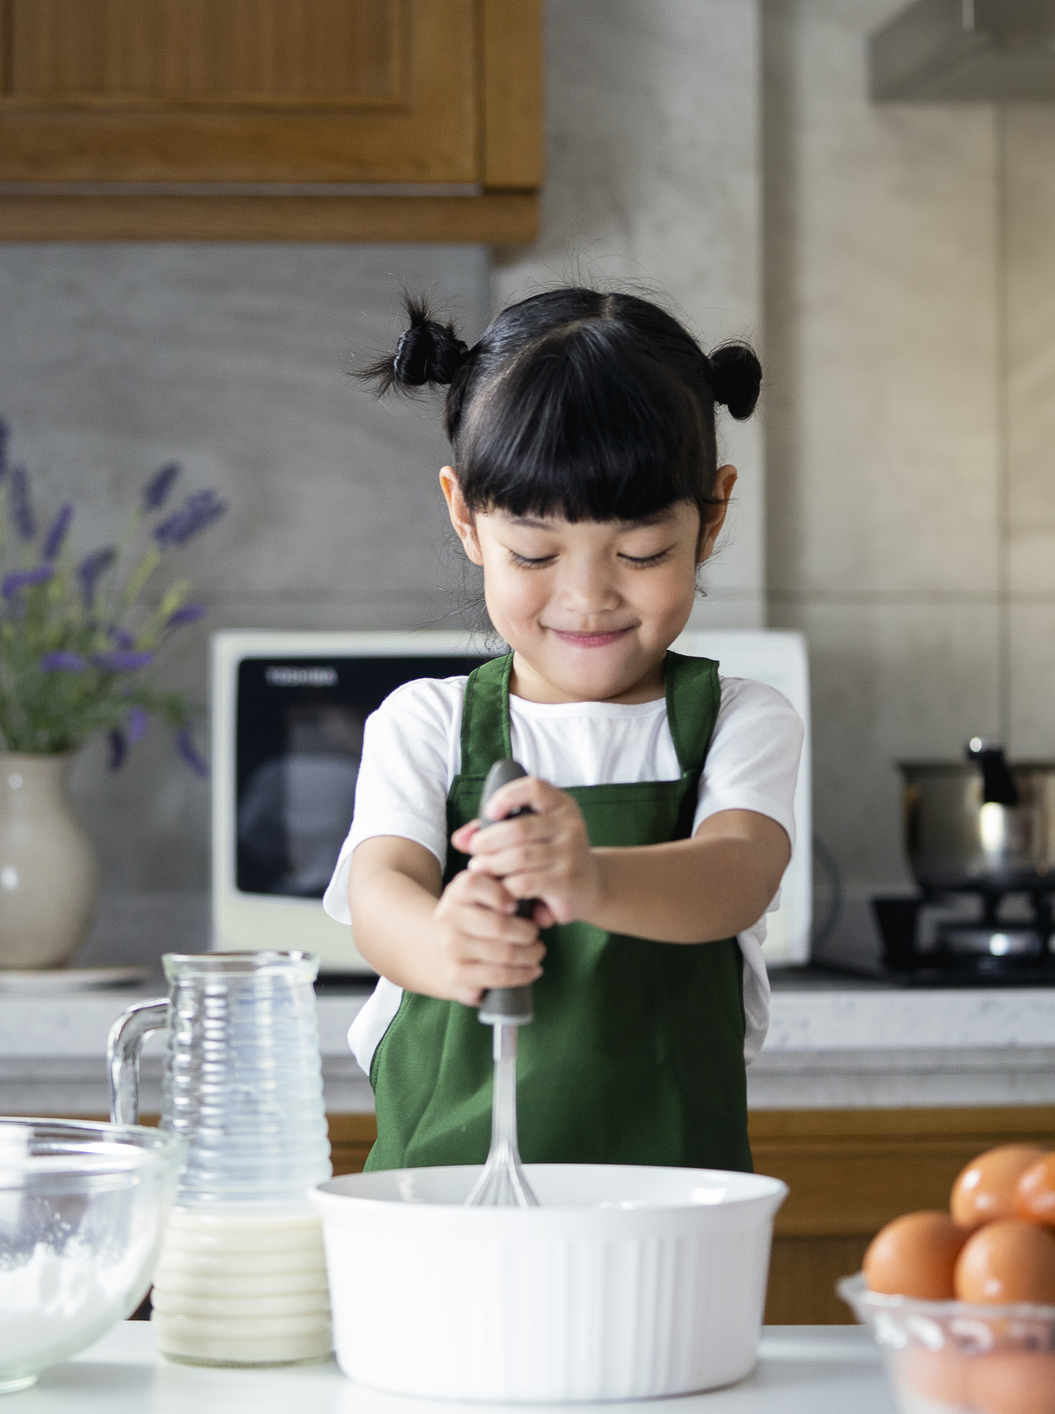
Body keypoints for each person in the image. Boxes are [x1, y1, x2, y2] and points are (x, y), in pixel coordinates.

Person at [322, 288, 805, 1173]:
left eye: (641, 553)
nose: (587, 598)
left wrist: (588, 879)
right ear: (465, 518)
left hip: (667, 1202)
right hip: (445, 1199)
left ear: (711, 517)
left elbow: (738, 873)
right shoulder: (427, 724)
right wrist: (442, 943)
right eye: (535, 554)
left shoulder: (738, 720)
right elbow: (380, 891)